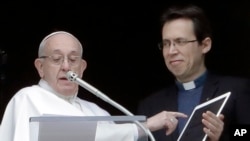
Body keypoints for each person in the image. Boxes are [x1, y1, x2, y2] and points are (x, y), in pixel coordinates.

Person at [0, 31, 187, 141]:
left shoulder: (96, 110)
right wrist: (145, 126)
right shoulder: (28, 98)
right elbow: (74, 136)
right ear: (40, 67)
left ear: (81, 68)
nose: (66, 66)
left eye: (73, 60)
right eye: (57, 59)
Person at [137, 4, 250, 141]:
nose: (171, 51)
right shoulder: (149, 106)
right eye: (166, 43)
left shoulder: (237, 89)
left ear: (205, 45)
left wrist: (223, 136)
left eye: (181, 41)